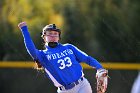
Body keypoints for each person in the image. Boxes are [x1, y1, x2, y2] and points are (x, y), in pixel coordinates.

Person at [18, 22, 108, 93]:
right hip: (64, 90)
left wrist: (99, 67)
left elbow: (87, 58)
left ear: (59, 37)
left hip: (82, 85)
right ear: (44, 37)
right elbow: (31, 50)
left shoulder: (69, 47)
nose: (53, 36)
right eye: (49, 34)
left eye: (55, 34)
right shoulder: (43, 55)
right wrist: (24, 30)